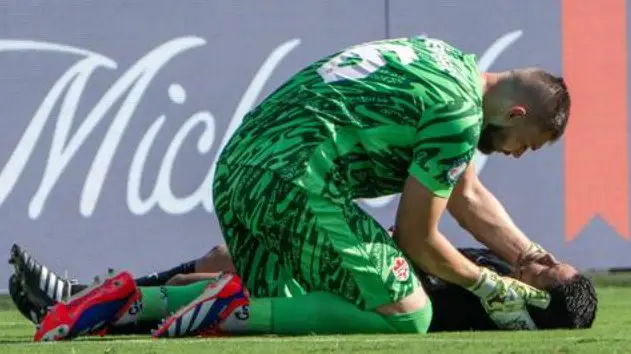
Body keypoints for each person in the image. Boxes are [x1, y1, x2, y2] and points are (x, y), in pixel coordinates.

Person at [33, 35, 571, 341]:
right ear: (517, 113)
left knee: (290, 306)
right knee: (411, 314)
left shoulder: (443, 60)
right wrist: (488, 285)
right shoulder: (459, 119)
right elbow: (416, 236)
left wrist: (529, 257)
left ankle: (121, 302)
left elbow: (465, 195)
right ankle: (220, 311)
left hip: (237, 171)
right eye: (530, 143)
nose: (519, 153)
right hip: (294, 183)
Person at [8, 242, 597, 334]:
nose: (541, 258)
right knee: (224, 261)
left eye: (551, 271)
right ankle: (81, 298)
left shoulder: (502, 307)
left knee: (222, 278)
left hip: (364, 297)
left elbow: (415, 277)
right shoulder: (495, 263)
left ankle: (83, 304)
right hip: (362, 270)